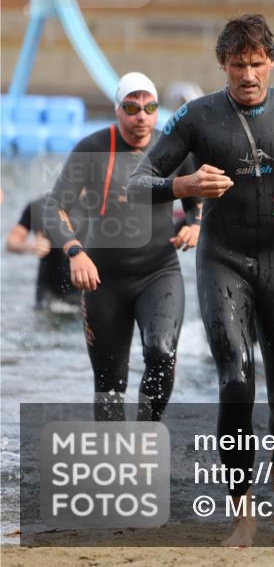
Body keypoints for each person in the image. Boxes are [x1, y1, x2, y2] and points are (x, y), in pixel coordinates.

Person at [127, 14, 274, 547]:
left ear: (271, 62)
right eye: (237, 64)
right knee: (235, 380)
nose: (248, 74)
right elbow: (138, 183)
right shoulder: (196, 117)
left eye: (257, 64)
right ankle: (242, 511)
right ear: (223, 65)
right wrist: (183, 184)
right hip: (223, 261)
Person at [43, 72, 202, 421]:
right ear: (117, 110)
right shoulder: (92, 149)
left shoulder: (172, 146)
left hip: (159, 273)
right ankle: (114, 463)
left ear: (158, 112)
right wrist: (74, 251)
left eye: (149, 107)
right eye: (131, 107)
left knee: (161, 353)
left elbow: (197, 197)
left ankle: (146, 434)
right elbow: (54, 208)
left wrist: (195, 224)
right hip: (103, 282)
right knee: (109, 388)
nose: (141, 116)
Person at [6, 195, 81, 311]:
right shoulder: (39, 206)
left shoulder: (99, 206)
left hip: (87, 299)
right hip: (49, 301)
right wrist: (31, 246)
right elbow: (11, 242)